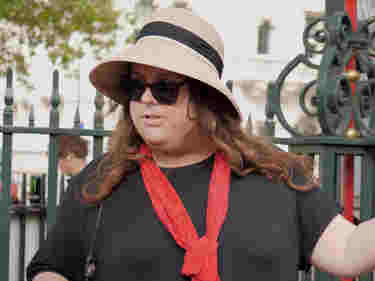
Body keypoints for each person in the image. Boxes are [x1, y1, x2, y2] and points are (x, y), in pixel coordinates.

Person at [27, 8, 375, 281]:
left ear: (204, 98)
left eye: (164, 88)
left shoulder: (276, 175)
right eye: (136, 87)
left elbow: (347, 250)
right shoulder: (100, 180)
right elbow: (52, 267)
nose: (146, 99)